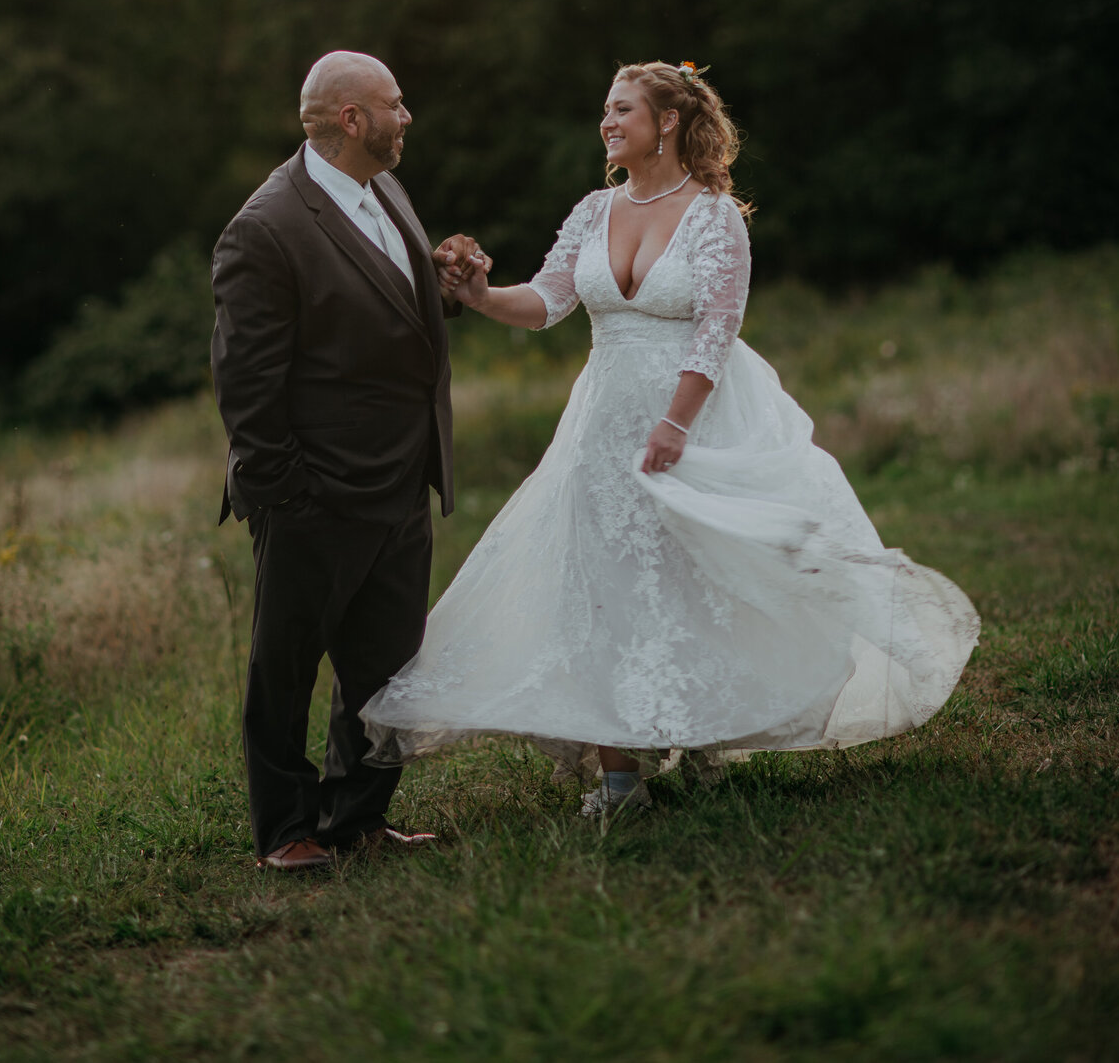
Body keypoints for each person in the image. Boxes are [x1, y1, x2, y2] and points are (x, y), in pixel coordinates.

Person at [363, 60, 980, 817]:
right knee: (600, 586)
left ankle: (698, 729)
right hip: (600, 423)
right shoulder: (593, 210)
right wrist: (480, 293)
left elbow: (718, 328)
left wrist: (675, 423)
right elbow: (549, 300)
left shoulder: (713, 216)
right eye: (605, 111)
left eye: (624, 109)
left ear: (670, 123)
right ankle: (620, 778)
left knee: (695, 577)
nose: (608, 122)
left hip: (692, 419)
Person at [211, 50, 485, 870]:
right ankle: (287, 830)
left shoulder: (384, 189)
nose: (408, 118)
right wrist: (287, 492)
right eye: (395, 105)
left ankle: (357, 816)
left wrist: (443, 284)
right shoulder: (264, 229)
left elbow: (377, 309)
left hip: (402, 476)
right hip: (314, 493)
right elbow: (246, 383)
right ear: (350, 119)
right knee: (285, 665)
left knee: (387, 661)